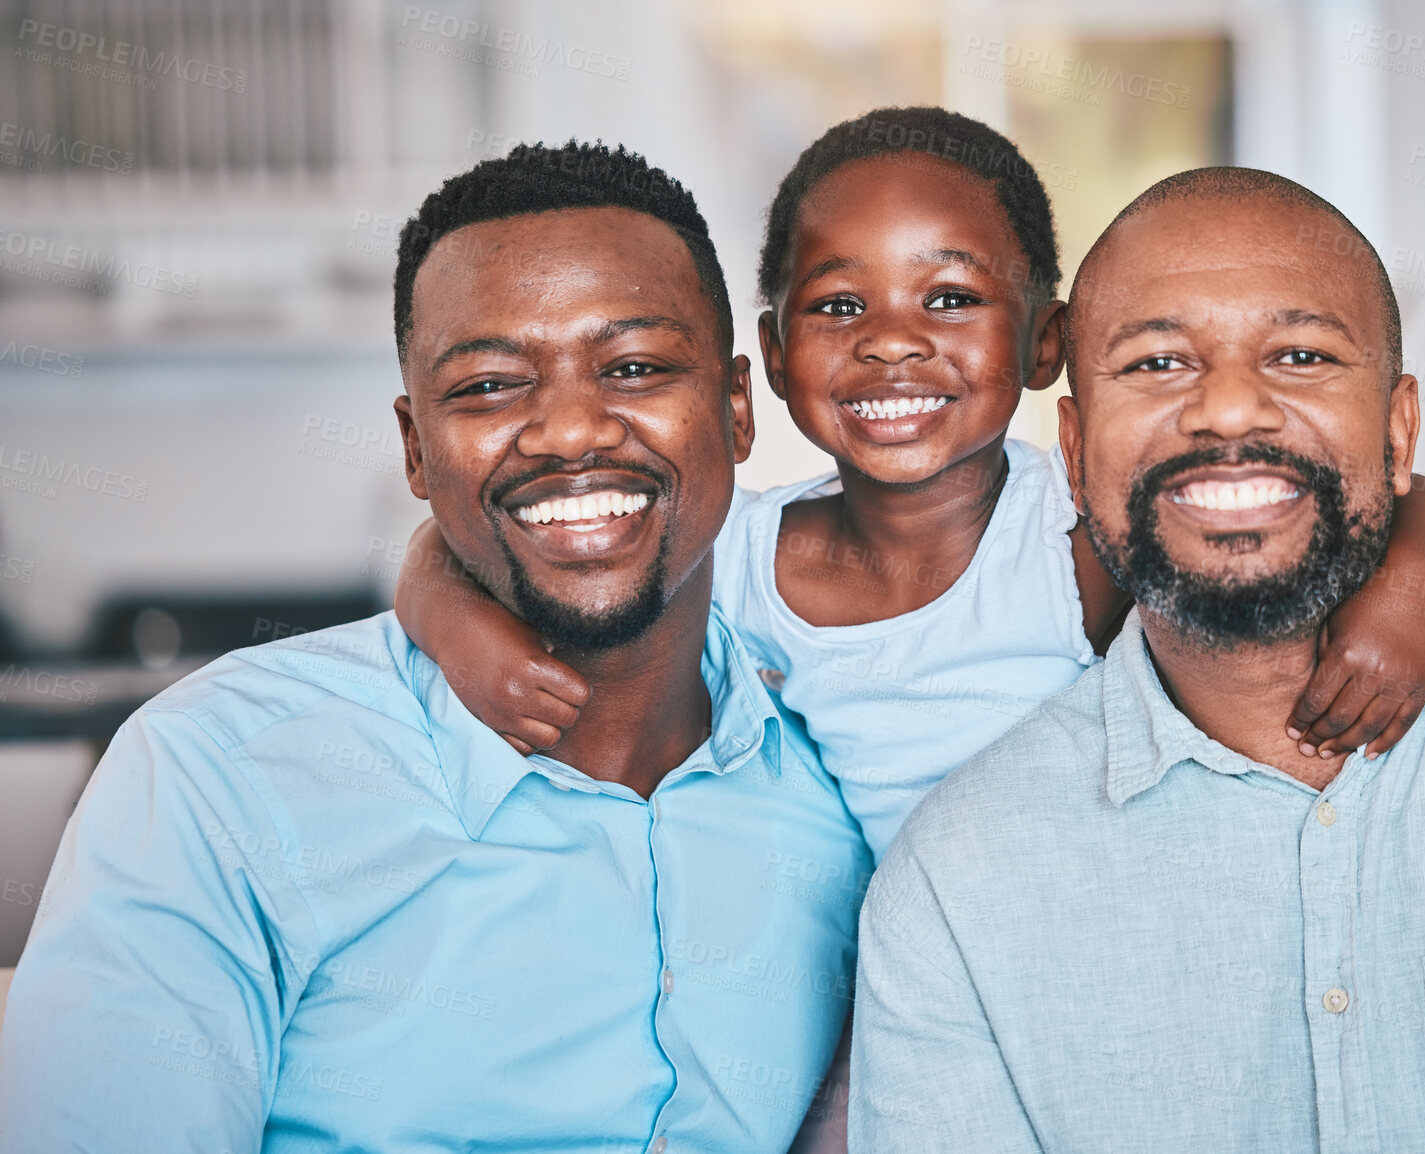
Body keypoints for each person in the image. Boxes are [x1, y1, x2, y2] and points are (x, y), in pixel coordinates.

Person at [0, 142, 870, 1153]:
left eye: (633, 367)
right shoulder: (216, 780)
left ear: (733, 407)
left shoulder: (847, 761)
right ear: (416, 449)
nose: (570, 429)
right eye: (491, 385)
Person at [850, 167, 1425, 1151]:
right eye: (1155, 364)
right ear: (1074, 444)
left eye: (1301, 354)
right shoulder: (957, 888)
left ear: (1401, 432)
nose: (1230, 411)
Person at [394, 108, 1425, 864]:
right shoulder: (740, 558)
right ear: (771, 359)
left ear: (1045, 341)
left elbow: (1406, 500)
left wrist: (1405, 596)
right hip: (840, 974)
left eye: (950, 299)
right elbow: (449, 546)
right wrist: (460, 633)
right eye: (837, 308)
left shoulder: (1076, 539)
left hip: (1045, 935)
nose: (892, 346)